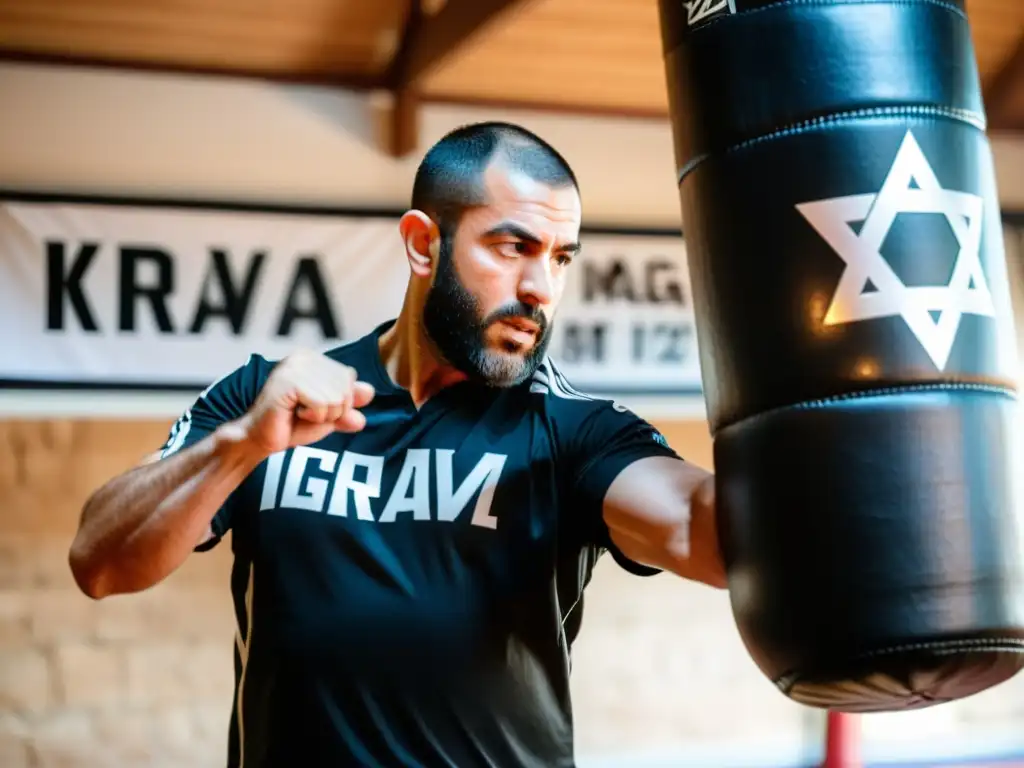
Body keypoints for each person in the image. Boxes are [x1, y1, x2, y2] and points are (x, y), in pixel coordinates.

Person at [68, 121, 727, 768]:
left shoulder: (571, 429)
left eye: (560, 258)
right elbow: (99, 562)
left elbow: (705, 532)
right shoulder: (267, 398)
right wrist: (239, 446)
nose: (540, 290)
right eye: (512, 247)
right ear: (422, 245)